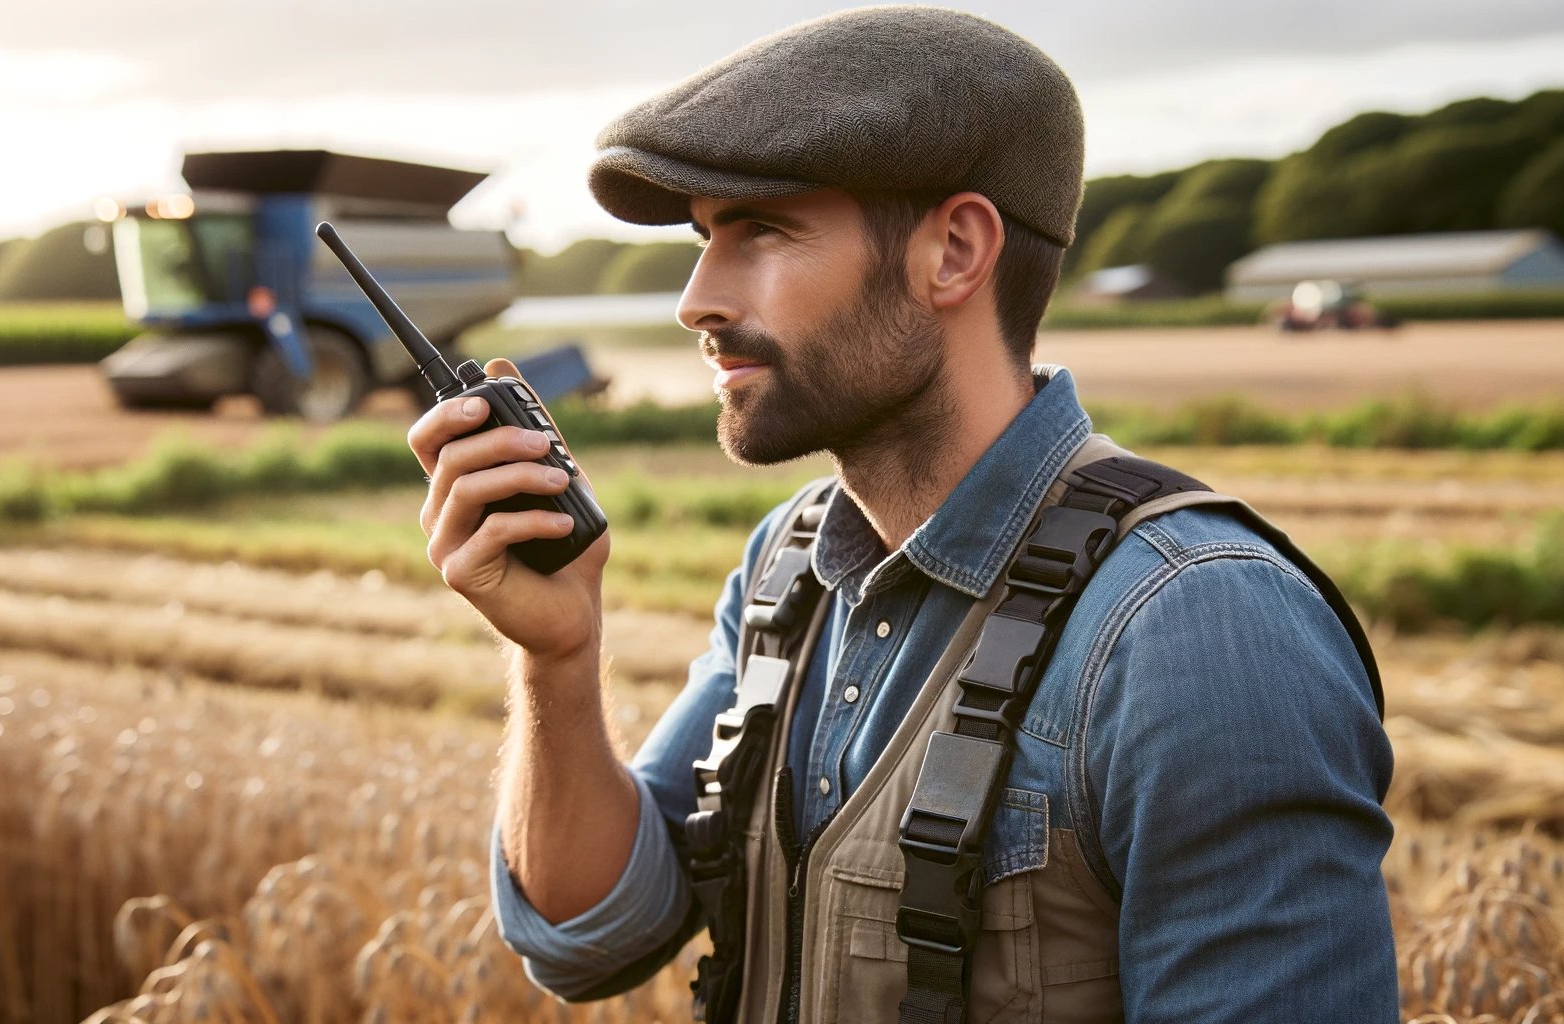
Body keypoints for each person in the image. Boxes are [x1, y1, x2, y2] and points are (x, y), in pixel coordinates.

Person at [406, 6, 1398, 1021]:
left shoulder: (1199, 631)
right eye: (706, 238)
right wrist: (558, 659)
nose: (695, 299)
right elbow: (591, 938)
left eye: (762, 230)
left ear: (955, 252)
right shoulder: (785, 567)